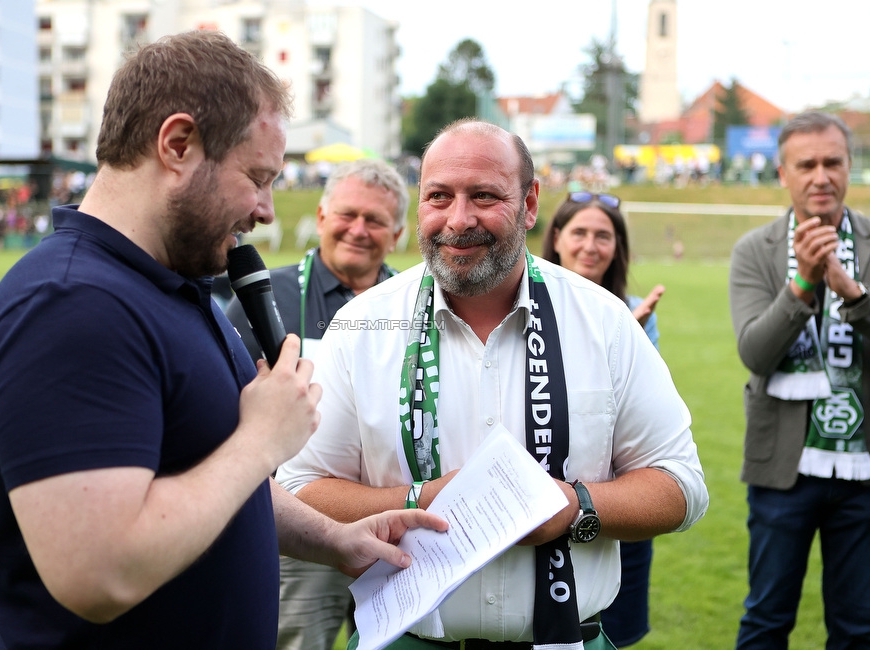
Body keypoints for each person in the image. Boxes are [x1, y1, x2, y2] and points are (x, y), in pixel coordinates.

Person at [0, 30, 446, 650]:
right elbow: (99, 574)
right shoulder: (71, 305)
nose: (268, 210)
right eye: (258, 177)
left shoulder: (176, 287)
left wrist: (334, 539)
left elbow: (209, 474)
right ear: (178, 144)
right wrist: (260, 440)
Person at [278, 118, 709, 649]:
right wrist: (418, 500)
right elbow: (301, 490)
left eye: (484, 196)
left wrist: (573, 509)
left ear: (529, 203)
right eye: (439, 196)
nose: (459, 220)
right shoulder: (363, 325)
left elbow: (681, 486)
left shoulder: (602, 321)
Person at [225, 157, 409, 650]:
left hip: (396, 518)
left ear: (397, 234)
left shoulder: (414, 304)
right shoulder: (262, 293)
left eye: (375, 221)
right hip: (297, 523)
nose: (358, 229)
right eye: (348, 214)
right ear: (322, 216)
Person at [729, 111, 870, 648]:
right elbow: (756, 354)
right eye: (805, 164)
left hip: (863, 468)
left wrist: (853, 296)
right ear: (783, 174)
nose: (821, 176)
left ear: (849, 167)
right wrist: (804, 284)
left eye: (832, 162)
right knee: (766, 620)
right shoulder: (755, 252)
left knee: (858, 628)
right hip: (782, 469)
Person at [541, 191, 666, 648]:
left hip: (616, 497)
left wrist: (627, 334)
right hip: (545, 495)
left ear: (617, 248)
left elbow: (640, 418)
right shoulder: (521, 301)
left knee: (617, 630)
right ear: (556, 239)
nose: (590, 246)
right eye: (579, 233)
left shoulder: (631, 312)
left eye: (603, 236)